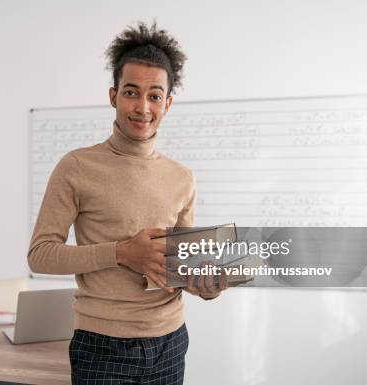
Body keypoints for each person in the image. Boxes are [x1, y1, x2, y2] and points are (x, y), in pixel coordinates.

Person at [28, 21, 228, 385]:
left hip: (171, 341)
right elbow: (40, 254)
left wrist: (205, 284)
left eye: (154, 96)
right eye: (131, 92)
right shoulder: (76, 166)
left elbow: (179, 264)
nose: (142, 107)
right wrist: (120, 252)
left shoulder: (182, 177)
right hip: (103, 346)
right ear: (113, 95)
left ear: (167, 103)